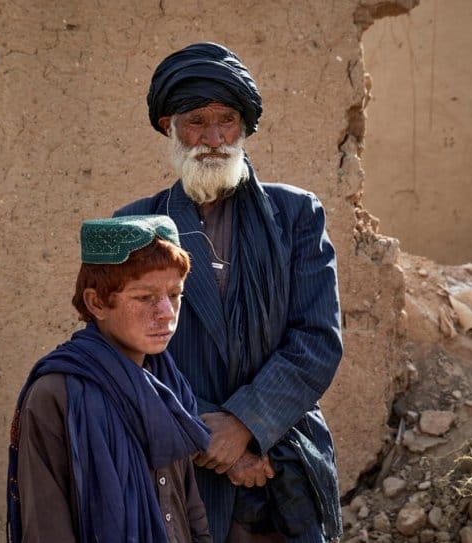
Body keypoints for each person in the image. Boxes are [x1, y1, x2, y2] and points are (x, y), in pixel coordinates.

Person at [115, 42, 344, 543]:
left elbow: (317, 339)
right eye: (197, 121)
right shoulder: (134, 225)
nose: (214, 137)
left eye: (227, 120)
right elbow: (122, 351)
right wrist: (205, 435)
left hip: (280, 456)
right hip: (176, 461)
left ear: (245, 127)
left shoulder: (296, 215)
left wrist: (245, 424)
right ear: (168, 126)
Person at [6, 215, 213, 543]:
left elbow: (188, 508)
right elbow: (47, 527)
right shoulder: (57, 395)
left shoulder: (168, 385)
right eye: (145, 298)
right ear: (97, 302)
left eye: (174, 295)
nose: (166, 312)